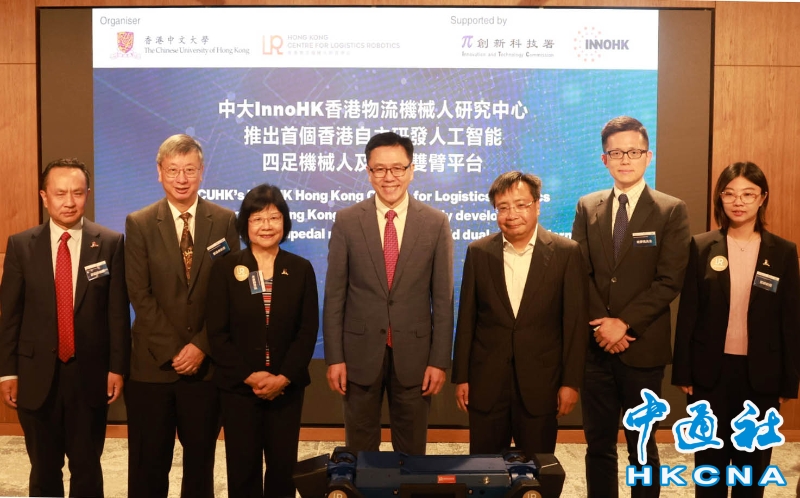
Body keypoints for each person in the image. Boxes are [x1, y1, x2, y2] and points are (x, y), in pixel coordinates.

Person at [571, 116, 691, 497]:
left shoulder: (671, 210)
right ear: (604, 159)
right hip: (596, 348)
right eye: (617, 153)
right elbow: (580, 273)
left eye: (634, 152)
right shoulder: (587, 206)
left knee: (643, 447)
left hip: (642, 348)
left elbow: (669, 280)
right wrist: (602, 326)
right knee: (598, 446)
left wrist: (624, 324)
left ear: (648, 156)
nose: (625, 160)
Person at [0, 158, 130, 497]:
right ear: (44, 197)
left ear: (88, 193)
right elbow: (10, 316)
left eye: (77, 193)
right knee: (44, 470)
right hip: (35, 375)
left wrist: (117, 367)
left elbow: (117, 313)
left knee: (87, 468)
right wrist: (7, 372)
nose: (69, 202)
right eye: (60, 193)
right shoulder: (21, 245)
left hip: (90, 374)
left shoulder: (110, 242)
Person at [672, 162, 799, 498]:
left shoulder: (783, 252)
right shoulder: (701, 246)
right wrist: (683, 370)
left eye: (748, 194)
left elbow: (790, 320)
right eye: (729, 194)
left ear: (762, 198)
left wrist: (789, 381)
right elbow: (688, 312)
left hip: (762, 376)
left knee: (752, 470)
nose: (738, 201)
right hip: (709, 373)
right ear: (720, 198)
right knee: (710, 467)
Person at [323, 131, 454, 455]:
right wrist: (335, 358)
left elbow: (443, 300)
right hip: (358, 354)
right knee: (359, 451)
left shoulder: (436, 223)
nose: (389, 177)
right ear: (368, 172)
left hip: (415, 356)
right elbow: (335, 296)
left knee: (411, 453)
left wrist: (439, 361)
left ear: (411, 170)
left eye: (397, 168)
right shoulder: (347, 221)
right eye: (379, 169)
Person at [125, 134, 239, 498]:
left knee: (200, 464)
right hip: (153, 366)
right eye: (173, 170)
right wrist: (175, 350)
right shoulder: (140, 223)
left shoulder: (225, 221)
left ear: (202, 171)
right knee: (148, 464)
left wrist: (201, 346)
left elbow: (231, 293)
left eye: (189, 169)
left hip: (205, 368)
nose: (181, 178)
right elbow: (139, 294)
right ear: (159, 172)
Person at [451, 171, 588, 458]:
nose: (511, 214)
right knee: (485, 470)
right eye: (503, 207)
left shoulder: (566, 252)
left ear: (537, 205)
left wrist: (570, 382)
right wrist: (461, 377)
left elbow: (574, 324)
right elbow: (467, 320)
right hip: (487, 384)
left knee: (537, 470)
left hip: (542, 385)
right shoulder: (478, 252)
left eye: (521, 205)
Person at [207, 184, 318, 498]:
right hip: (240, 388)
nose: (266, 226)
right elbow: (217, 332)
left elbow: (307, 331)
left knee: (283, 470)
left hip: (286, 388)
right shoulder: (226, 268)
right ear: (245, 224)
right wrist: (249, 375)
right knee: (242, 470)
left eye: (274, 217)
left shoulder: (300, 269)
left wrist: (283, 377)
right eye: (257, 218)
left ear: (285, 222)